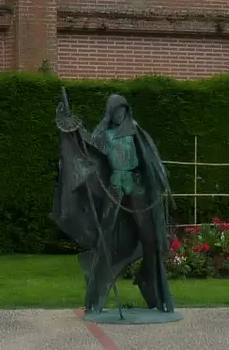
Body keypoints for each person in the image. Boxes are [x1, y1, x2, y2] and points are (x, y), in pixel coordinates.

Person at [50, 91, 176, 315]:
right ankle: (96, 295)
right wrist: (69, 127)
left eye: (123, 110)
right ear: (110, 112)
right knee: (106, 237)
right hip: (115, 186)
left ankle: (155, 291)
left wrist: (155, 181)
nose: (120, 114)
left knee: (150, 237)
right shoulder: (103, 133)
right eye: (117, 110)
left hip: (136, 187)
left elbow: (149, 158)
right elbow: (85, 144)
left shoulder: (135, 131)